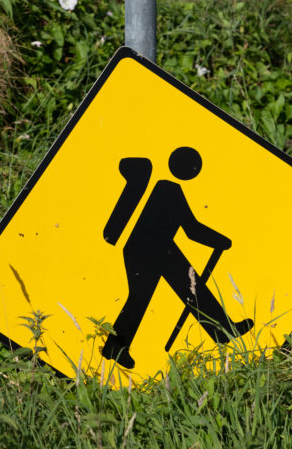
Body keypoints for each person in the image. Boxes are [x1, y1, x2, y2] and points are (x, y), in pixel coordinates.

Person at [101, 147, 253, 369]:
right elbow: (192, 229)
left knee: (192, 287)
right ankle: (115, 347)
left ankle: (222, 331)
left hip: (160, 247)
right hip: (143, 248)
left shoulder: (166, 188)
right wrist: (220, 241)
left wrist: (219, 241)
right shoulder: (168, 190)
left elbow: (190, 229)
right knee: (140, 298)